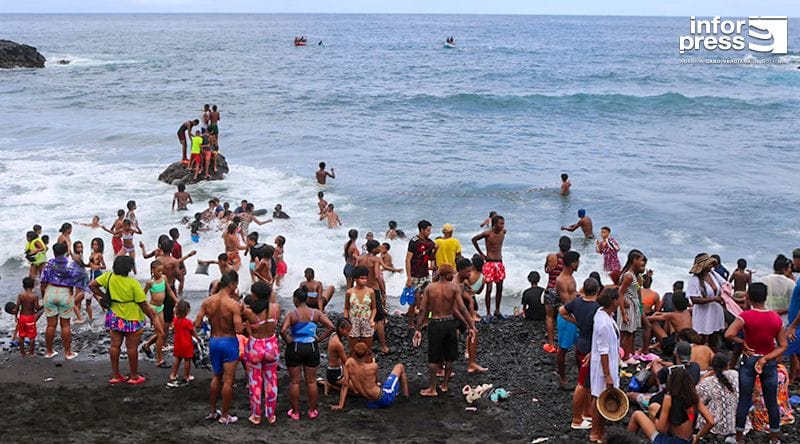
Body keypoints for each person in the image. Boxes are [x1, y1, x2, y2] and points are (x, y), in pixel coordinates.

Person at [725, 282, 787, 444]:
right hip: (769, 362)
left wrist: (743, 342)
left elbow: (728, 334)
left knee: (744, 400)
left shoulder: (745, 316)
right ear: (765, 298)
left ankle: (738, 439)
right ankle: (774, 439)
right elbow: (783, 346)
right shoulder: (775, 317)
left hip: (750, 360)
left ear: (749, 297)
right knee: (771, 401)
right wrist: (766, 358)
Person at [89, 256, 162, 385]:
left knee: (115, 345)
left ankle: (115, 376)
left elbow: (92, 285)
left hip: (115, 316)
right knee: (131, 347)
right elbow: (143, 304)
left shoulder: (108, 277)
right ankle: (133, 376)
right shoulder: (132, 283)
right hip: (132, 317)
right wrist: (153, 318)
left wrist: (103, 296)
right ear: (129, 268)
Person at [412, 264, 476, 397]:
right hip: (450, 323)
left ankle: (433, 388)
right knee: (450, 356)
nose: (453, 275)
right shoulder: (454, 288)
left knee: (433, 358)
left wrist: (417, 329)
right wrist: (472, 326)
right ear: (447, 275)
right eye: (451, 273)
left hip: (435, 323)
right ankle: (445, 385)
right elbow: (462, 308)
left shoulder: (430, 288)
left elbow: (423, 310)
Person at [194, 271, 243, 424]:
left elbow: (196, 324)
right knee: (228, 381)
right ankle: (225, 415)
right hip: (228, 342)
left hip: (214, 341)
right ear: (233, 285)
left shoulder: (208, 301)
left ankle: (213, 411)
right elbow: (239, 330)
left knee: (216, 376)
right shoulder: (233, 305)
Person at [281, 288, 334, 420]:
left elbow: (283, 330)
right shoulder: (315, 313)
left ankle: (295, 412)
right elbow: (331, 327)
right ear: (307, 299)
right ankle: (312, 411)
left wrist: (288, 340)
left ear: (295, 300)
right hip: (311, 346)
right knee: (311, 381)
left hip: (295, 347)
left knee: (295, 382)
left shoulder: (292, 314)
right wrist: (320, 338)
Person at [627, 367, 715, 444]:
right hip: (688, 440)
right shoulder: (695, 398)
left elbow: (660, 429)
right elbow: (711, 422)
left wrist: (653, 417)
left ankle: (625, 440)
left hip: (670, 441)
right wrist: (697, 437)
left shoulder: (669, 399)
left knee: (637, 414)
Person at [560, 277, 600, 429]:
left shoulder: (577, 302)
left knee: (588, 381)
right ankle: (576, 420)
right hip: (589, 348)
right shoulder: (597, 307)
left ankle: (586, 412)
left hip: (580, 343)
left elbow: (562, 311)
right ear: (597, 290)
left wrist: (575, 321)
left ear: (584, 289)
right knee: (583, 383)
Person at [242, 281, 281, 425]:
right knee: (271, 382)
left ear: (255, 295)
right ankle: (270, 415)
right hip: (271, 346)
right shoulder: (276, 308)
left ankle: (256, 415)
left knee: (255, 382)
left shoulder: (249, 312)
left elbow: (240, 326)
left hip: (255, 348)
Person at [40, 242, 87, 360]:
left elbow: (43, 282)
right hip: (65, 293)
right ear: (66, 251)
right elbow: (82, 276)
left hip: (50, 292)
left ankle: (49, 352)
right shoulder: (71, 264)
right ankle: (67, 353)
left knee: (50, 325)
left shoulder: (49, 264)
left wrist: (44, 295)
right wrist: (77, 288)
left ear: (54, 252)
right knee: (65, 326)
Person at [331, 342, 409, 410]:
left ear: (354, 353)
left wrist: (340, 405)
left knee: (385, 386)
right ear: (366, 354)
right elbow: (375, 381)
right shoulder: (373, 367)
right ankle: (406, 397)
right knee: (400, 366)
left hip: (369, 402)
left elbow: (345, 384)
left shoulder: (349, 363)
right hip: (383, 398)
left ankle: (396, 392)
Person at [589, 287, 621, 443]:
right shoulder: (603, 322)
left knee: (601, 396)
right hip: (603, 366)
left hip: (608, 363)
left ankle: (599, 430)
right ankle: (595, 432)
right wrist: (607, 374)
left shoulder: (605, 315)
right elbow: (603, 350)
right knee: (598, 397)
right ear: (614, 301)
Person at [140, 260, 177, 367]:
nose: (160, 273)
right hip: (153, 309)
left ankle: (146, 345)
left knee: (161, 332)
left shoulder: (164, 278)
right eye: (158, 271)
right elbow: (142, 296)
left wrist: (176, 301)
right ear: (152, 270)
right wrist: (146, 309)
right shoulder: (150, 283)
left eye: (162, 271)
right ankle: (160, 360)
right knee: (161, 333)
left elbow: (169, 291)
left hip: (161, 308)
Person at [356, 240, 389, 354]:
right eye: (378, 247)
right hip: (373, 290)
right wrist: (383, 291)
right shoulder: (376, 259)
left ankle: (360, 344)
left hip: (361, 290)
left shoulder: (359, 259)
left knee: (362, 316)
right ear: (374, 249)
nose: (380, 248)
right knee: (379, 319)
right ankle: (383, 346)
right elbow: (377, 276)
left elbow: (355, 273)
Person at [455, 258, 488, 373]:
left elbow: (468, 298)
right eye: (468, 272)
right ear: (461, 271)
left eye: (470, 270)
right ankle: (441, 367)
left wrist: (470, 302)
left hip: (461, 312)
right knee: (452, 337)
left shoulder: (462, 281)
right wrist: (467, 321)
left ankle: (471, 363)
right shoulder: (455, 285)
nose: (470, 274)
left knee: (473, 333)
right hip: (454, 314)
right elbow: (457, 306)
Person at [688, 253, 727, 350]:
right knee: (701, 337)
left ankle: (712, 357)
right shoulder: (694, 280)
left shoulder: (713, 274)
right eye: (709, 264)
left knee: (714, 337)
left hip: (715, 311)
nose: (712, 266)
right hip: (703, 313)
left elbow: (725, 284)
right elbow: (694, 299)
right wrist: (713, 299)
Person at [471, 214, 507, 319]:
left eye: (503, 223)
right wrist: (481, 254)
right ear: (495, 224)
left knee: (500, 287)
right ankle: (488, 312)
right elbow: (474, 240)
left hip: (499, 262)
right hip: (490, 262)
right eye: (500, 223)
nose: (502, 226)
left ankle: (497, 310)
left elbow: (503, 232)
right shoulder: (488, 234)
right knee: (489, 288)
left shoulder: (503, 232)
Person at [554, 251, 581, 390]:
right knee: (563, 349)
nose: (578, 264)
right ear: (572, 263)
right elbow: (567, 302)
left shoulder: (571, 277)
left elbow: (573, 295)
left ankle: (580, 374)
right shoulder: (561, 280)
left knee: (579, 347)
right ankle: (563, 378)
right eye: (577, 262)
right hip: (566, 317)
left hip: (574, 315)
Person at [696, 352, 738, 438]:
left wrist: (702, 379)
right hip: (737, 424)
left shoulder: (707, 382)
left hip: (716, 426)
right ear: (727, 364)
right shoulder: (735, 375)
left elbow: (696, 399)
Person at [405, 220, 436, 327]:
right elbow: (407, 260)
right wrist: (408, 277)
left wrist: (435, 252)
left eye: (430, 230)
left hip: (425, 274)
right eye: (428, 230)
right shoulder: (414, 241)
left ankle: (426, 321)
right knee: (414, 301)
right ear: (422, 230)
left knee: (429, 299)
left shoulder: (430, 243)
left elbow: (432, 257)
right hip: (415, 275)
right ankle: (410, 323)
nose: (429, 232)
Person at [617, 250, 646, 364]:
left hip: (632, 304)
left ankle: (623, 355)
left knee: (629, 332)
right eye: (640, 260)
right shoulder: (629, 276)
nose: (642, 262)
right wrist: (624, 313)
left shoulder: (632, 274)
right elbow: (620, 292)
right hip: (628, 306)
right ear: (634, 260)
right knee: (627, 333)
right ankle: (624, 357)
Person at [544, 236, 571, 353]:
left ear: (559, 245)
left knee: (549, 317)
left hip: (551, 289)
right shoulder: (569, 260)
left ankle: (551, 344)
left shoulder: (551, 257)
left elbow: (546, 269)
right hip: (563, 290)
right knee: (563, 316)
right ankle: (563, 344)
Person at [344, 265, 377, 361]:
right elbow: (346, 308)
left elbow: (374, 308)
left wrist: (372, 319)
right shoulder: (349, 292)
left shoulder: (370, 292)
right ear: (355, 279)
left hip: (366, 320)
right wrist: (346, 321)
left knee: (367, 349)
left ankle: (367, 368)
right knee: (353, 349)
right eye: (362, 278)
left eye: (366, 278)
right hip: (353, 321)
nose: (364, 280)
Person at [648, 292, 692, 357]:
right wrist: (658, 313)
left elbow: (649, 319)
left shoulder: (672, 315)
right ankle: (658, 344)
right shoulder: (687, 312)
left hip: (675, 345)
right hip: (687, 340)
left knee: (653, 323)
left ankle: (660, 344)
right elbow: (666, 315)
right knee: (669, 321)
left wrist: (653, 314)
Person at [167, 300, 199, 387]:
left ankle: (173, 374)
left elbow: (173, 329)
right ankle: (187, 375)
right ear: (187, 311)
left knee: (177, 359)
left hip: (177, 343)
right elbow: (193, 331)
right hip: (187, 344)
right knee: (187, 360)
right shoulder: (188, 322)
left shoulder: (175, 320)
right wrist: (198, 338)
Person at [760, 254, 795, 319]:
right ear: (785, 269)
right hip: (783, 321)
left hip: (764, 318)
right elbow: (795, 305)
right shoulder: (791, 284)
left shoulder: (762, 280)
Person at [324, 318, 351, 395]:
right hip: (335, 373)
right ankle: (331, 385)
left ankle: (328, 382)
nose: (349, 333)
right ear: (341, 329)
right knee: (356, 392)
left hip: (332, 369)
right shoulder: (338, 344)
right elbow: (345, 362)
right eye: (347, 331)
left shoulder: (333, 334)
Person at [15, 277, 40, 356]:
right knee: (31, 336)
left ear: (23, 286)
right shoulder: (34, 296)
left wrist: (16, 316)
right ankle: (31, 352)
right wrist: (41, 307)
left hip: (22, 317)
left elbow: (17, 307)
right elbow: (37, 307)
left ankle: (22, 352)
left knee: (21, 335)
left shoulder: (20, 296)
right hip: (30, 318)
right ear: (33, 286)